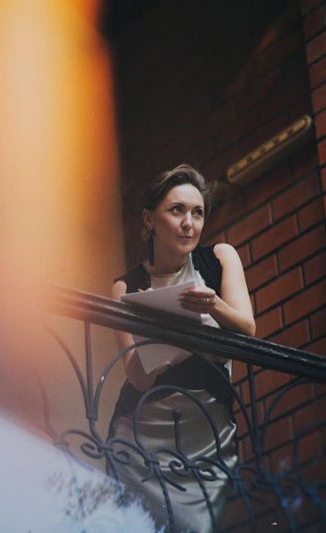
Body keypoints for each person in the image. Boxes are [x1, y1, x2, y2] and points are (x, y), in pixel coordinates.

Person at [108, 164, 255, 532]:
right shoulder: (125, 288)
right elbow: (139, 378)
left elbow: (247, 330)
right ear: (149, 220)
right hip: (143, 431)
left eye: (198, 213)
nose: (189, 223)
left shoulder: (219, 258)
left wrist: (213, 305)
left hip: (208, 427)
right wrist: (156, 326)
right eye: (177, 210)